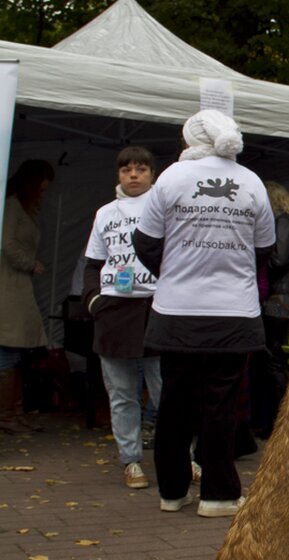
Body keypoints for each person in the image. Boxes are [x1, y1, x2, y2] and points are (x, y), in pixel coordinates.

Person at [133, 109, 275, 518]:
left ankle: (173, 492)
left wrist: (175, 268)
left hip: (176, 309)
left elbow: (144, 241)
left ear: (190, 138)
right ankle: (219, 496)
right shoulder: (251, 182)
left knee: (174, 401)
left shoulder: (172, 179)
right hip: (233, 312)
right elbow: (264, 249)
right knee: (221, 406)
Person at [82, 146, 161, 489]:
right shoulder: (105, 213)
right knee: (122, 394)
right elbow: (92, 264)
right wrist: (93, 301)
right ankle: (131, 461)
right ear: (118, 174)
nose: (133, 175)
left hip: (158, 310)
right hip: (115, 313)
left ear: (152, 174)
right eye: (126, 169)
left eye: (141, 169)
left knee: (168, 392)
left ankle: (185, 458)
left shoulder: (164, 208)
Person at [250, 180, 289, 439]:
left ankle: (277, 420)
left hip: (281, 297)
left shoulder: (284, 222)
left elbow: (278, 259)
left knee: (272, 360)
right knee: (281, 360)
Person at [0, 160, 54, 434]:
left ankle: (15, 413)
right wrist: (29, 262)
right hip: (8, 285)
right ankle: (7, 416)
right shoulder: (10, 206)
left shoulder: (22, 207)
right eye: (41, 189)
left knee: (17, 352)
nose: (43, 194)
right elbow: (6, 242)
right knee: (8, 349)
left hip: (18, 286)